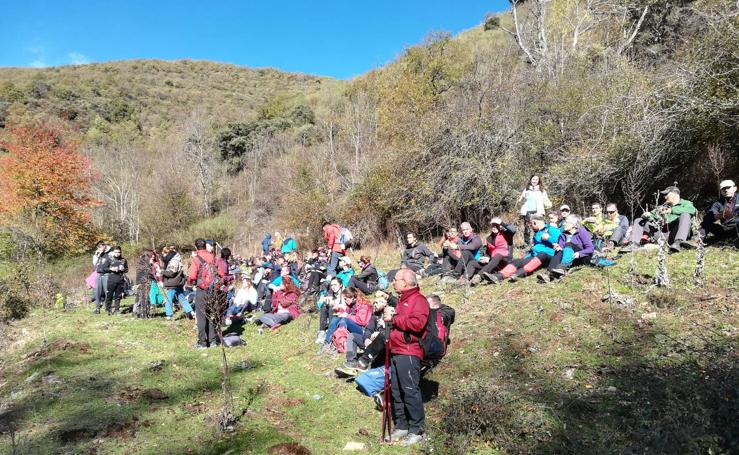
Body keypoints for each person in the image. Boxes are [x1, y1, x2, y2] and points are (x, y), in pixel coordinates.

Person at [385, 268, 429, 446]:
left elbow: (417, 325)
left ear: (405, 282)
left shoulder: (419, 300)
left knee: (410, 391)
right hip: (397, 350)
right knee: (396, 390)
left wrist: (394, 319)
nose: (393, 282)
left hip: (409, 352)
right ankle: (402, 425)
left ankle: (416, 429)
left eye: (395, 279)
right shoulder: (403, 300)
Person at [484, 214, 561, 283]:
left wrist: (548, 238)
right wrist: (524, 258)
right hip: (535, 256)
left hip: (548, 256)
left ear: (535, 223)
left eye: (531, 224)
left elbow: (560, 243)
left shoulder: (551, 229)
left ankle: (518, 274)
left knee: (541, 254)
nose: (530, 225)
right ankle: (498, 276)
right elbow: (535, 249)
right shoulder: (536, 233)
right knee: (518, 261)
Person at [622, 184, 696, 253]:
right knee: (639, 220)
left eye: (667, 194)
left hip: (675, 233)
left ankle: (679, 242)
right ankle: (634, 244)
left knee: (685, 215)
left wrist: (672, 210)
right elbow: (652, 215)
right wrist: (648, 215)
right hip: (662, 234)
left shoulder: (686, 203)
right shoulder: (663, 206)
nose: (664, 197)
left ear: (674, 194)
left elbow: (692, 210)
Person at [538, 214, 594, 282]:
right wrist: (557, 247)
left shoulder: (581, 232)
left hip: (578, 256)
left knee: (569, 244)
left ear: (574, 225)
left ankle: (561, 268)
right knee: (559, 251)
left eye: (566, 222)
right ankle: (548, 274)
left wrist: (580, 253)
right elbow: (561, 249)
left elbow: (590, 248)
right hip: (567, 257)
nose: (564, 224)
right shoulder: (562, 235)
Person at [320, 287, 373, 352]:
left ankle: (340, 342)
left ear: (353, 298)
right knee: (335, 319)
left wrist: (347, 316)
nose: (344, 301)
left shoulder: (364, 305)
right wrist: (339, 311)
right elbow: (346, 313)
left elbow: (362, 321)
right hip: (354, 326)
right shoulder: (351, 305)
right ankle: (327, 342)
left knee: (344, 320)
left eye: (345, 299)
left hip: (363, 330)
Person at [188, 238, 218, 349]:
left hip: (202, 289)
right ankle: (213, 341)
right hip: (212, 289)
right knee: (209, 315)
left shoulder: (196, 259)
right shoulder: (212, 257)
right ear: (205, 246)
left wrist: (190, 283)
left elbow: (191, 276)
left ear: (196, 247)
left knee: (201, 316)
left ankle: (202, 343)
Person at [470, 217, 515, 285]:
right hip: (492, 262)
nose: (494, 227)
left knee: (498, 256)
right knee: (472, 263)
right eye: (493, 225)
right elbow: (488, 253)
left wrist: (501, 222)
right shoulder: (489, 238)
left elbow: (513, 230)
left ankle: (479, 277)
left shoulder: (507, 234)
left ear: (500, 226)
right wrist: (486, 258)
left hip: (505, 261)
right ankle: (464, 279)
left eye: (496, 225)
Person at [700, 179, 738, 244]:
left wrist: (734, 214)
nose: (726, 190)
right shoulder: (718, 203)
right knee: (705, 223)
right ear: (721, 191)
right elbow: (707, 217)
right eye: (723, 189)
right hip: (725, 229)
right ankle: (698, 240)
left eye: (728, 188)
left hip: (737, 226)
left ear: (735, 188)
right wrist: (720, 215)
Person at [162, 246, 194, 320]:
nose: (163, 256)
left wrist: (161, 271)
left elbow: (171, 273)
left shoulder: (174, 261)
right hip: (178, 282)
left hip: (173, 283)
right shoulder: (175, 259)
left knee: (169, 298)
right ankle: (190, 312)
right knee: (182, 298)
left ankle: (169, 315)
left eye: (164, 254)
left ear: (167, 254)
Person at [518, 175, 552, 245]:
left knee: (538, 227)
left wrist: (548, 208)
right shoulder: (526, 189)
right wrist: (520, 209)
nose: (534, 181)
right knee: (527, 227)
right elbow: (521, 200)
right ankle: (527, 244)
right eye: (533, 179)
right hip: (528, 211)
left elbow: (546, 200)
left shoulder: (542, 190)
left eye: (536, 180)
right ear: (530, 180)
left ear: (538, 181)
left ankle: (537, 242)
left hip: (538, 211)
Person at [101, 246, 128, 315]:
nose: (117, 254)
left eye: (118, 252)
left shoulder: (123, 260)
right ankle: (108, 309)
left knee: (118, 296)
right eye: (115, 252)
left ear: (120, 252)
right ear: (113, 252)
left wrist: (123, 269)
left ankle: (117, 310)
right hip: (111, 280)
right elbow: (104, 268)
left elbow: (127, 269)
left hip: (120, 280)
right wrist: (111, 269)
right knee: (109, 295)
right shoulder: (109, 259)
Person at [92, 241, 110, 313]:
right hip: (99, 274)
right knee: (97, 292)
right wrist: (97, 255)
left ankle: (107, 307)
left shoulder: (109, 254)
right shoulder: (96, 255)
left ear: (104, 246)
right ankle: (97, 308)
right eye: (99, 247)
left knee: (107, 291)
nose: (101, 248)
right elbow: (95, 264)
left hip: (107, 274)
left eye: (102, 246)